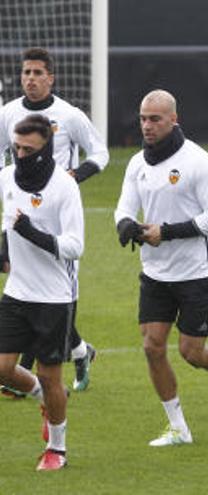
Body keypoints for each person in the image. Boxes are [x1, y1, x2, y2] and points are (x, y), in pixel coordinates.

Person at [113, 89, 208, 446]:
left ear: (174, 120)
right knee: (152, 346)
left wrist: (168, 233)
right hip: (155, 272)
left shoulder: (198, 161)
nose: (147, 125)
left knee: (192, 353)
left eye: (155, 119)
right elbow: (123, 209)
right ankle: (178, 427)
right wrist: (126, 225)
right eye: (143, 118)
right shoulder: (136, 164)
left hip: (195, 271)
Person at [0, 47, 106, 393]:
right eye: (26, 72)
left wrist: (76, 176)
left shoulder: (69, 115)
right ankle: (78, 351)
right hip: (18, 214)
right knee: (25, 286)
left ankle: (32, 377)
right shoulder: (8, 113)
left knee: (55, 293)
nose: (30, 78)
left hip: (57, 219)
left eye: (37, 73)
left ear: (51, 77)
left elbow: (100, 153)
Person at [0, 114, 84, 470]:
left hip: (53, 296)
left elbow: (75, 245)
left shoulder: (64, 187)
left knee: (52, 375)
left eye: (28, 149)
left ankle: (58, 449)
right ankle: (46, 397)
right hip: (17, 290)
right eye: (16, 147)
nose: (20, 154)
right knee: (3, 369)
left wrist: (33, 234)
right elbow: (8, 224)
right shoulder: (6, 177)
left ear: (46, 148)